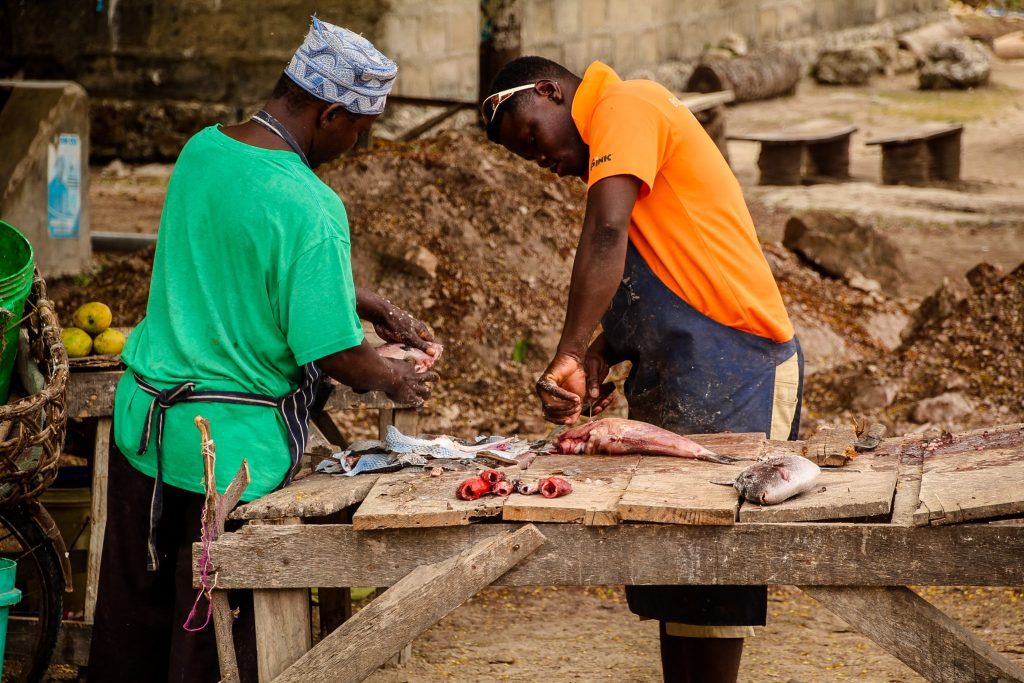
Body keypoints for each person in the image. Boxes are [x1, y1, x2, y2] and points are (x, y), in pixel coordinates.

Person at [89, 19, 438, 682]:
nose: (357, 143)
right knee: (210, 643)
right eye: (359, 128)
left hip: (145, 431)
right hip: (228, 460)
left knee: (135, 626)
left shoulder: (202, 151)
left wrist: (363, 300)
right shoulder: (312, 205)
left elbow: (240, 260)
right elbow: (334, 353)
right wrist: (396, 376)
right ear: (332, 112)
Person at [480, 56, 803, 682]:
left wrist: (569, 354)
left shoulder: (624, 106)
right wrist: (606, 346)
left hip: (739, 362)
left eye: (532, 138)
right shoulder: (618, 136)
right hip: (688, 367)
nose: (540, 159)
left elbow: (607, 234)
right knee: (674, 570)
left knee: (711, 572)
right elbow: (658, 268)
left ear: (549, 90)